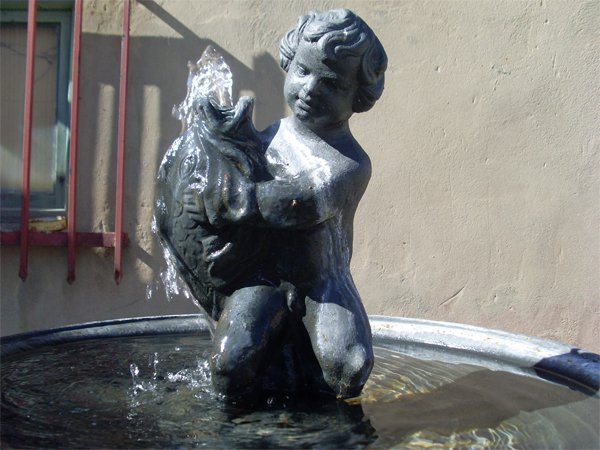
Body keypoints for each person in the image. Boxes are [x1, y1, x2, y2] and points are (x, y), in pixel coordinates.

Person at [206, 9, 388, 400]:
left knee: (350, 366)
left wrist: (237, 198)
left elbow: (299, 204)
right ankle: (237, 427)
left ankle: (331, 426)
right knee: (228, 364)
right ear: (289, 63)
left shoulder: (350, 163)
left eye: (331, 83)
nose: (310, 89)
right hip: (263, 276)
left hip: (323, 282)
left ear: (359, 95)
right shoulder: (265, 139)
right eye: (303, 71)